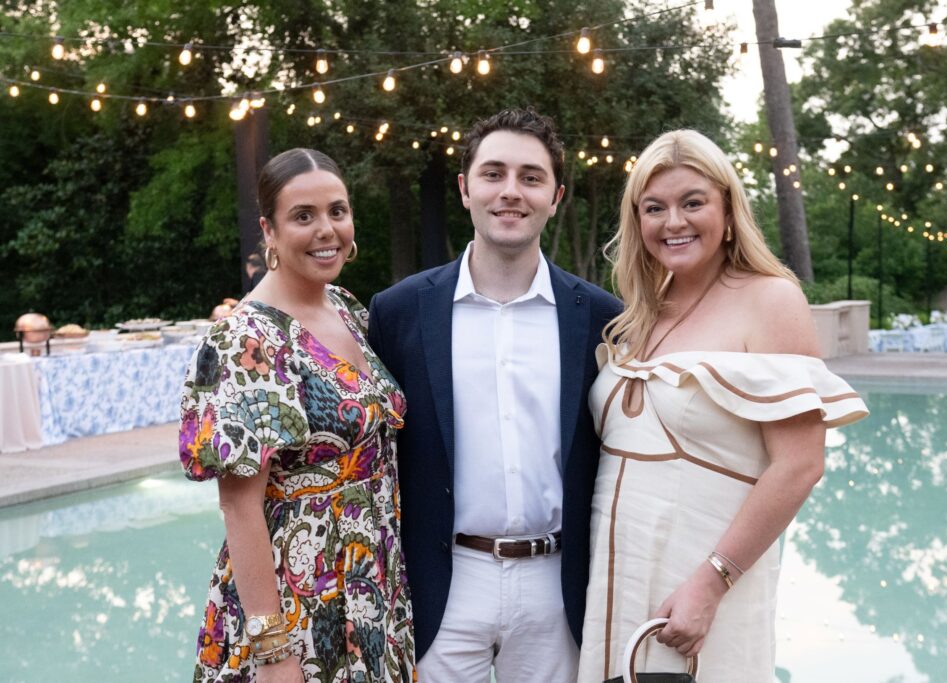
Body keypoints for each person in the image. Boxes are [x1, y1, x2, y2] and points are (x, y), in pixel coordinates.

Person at [576, 130, 868, 683]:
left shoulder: (770, 299)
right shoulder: (639, 316)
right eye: (654, 208)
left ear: (728, 212)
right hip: (614, 587)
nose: (674, 222)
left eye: (693, 203)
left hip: (700, 591)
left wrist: (709, 583)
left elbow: (801, 464)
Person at [367, 108, 621, 682]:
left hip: (558, 588)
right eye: (494, 173)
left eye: (531, 177)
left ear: (555, 196)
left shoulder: (605, 319)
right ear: (465, 189)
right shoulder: (398, 312)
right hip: (444, 584)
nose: (511, 192)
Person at [179, 148, 414, 682]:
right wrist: (272, 650)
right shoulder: (245, 339)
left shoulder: (349, 310)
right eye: (303, 216)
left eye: (338, 211)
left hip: (369, 580)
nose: (327, 230)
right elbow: (239, 506)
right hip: (295, 600)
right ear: (269, 229)